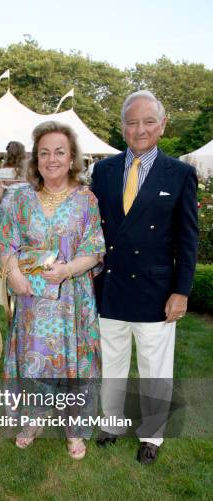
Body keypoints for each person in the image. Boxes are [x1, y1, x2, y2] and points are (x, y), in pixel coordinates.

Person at [91, 90, 199, 464]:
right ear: (122, 127)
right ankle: (111, 422)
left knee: (155, 367)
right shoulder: (102, 171)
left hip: (156, 290)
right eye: (132, 122)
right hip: (112, 286)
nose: (140, 129)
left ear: (162, 124)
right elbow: (93, 230)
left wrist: (181, 292)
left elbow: (188, 239)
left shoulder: (181, 174)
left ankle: (152, 435)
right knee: (113, 361)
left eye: (148, 121)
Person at [0, 121, 105, 459]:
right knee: (35, 361)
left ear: (72, 156)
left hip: (73, 297)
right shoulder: (19, 198)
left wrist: (67, 271)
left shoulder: (86, 200)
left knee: (74, 362)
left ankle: (75, 429)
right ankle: (34, 419)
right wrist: (13, 274)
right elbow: (6, 242)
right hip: (31, 297)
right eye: (44, 153)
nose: (52, 159)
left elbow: (94, 249)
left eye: (59, 152)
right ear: (35, 159)